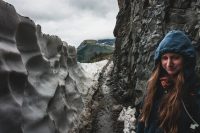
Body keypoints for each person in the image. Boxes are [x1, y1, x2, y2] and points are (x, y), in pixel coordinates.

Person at [136, 30, 200, 133]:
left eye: (175, 58)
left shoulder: (192, 91)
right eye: (165, 58)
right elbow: (142, 118)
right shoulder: (155, 84)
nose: (169, 63)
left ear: (186, 59)